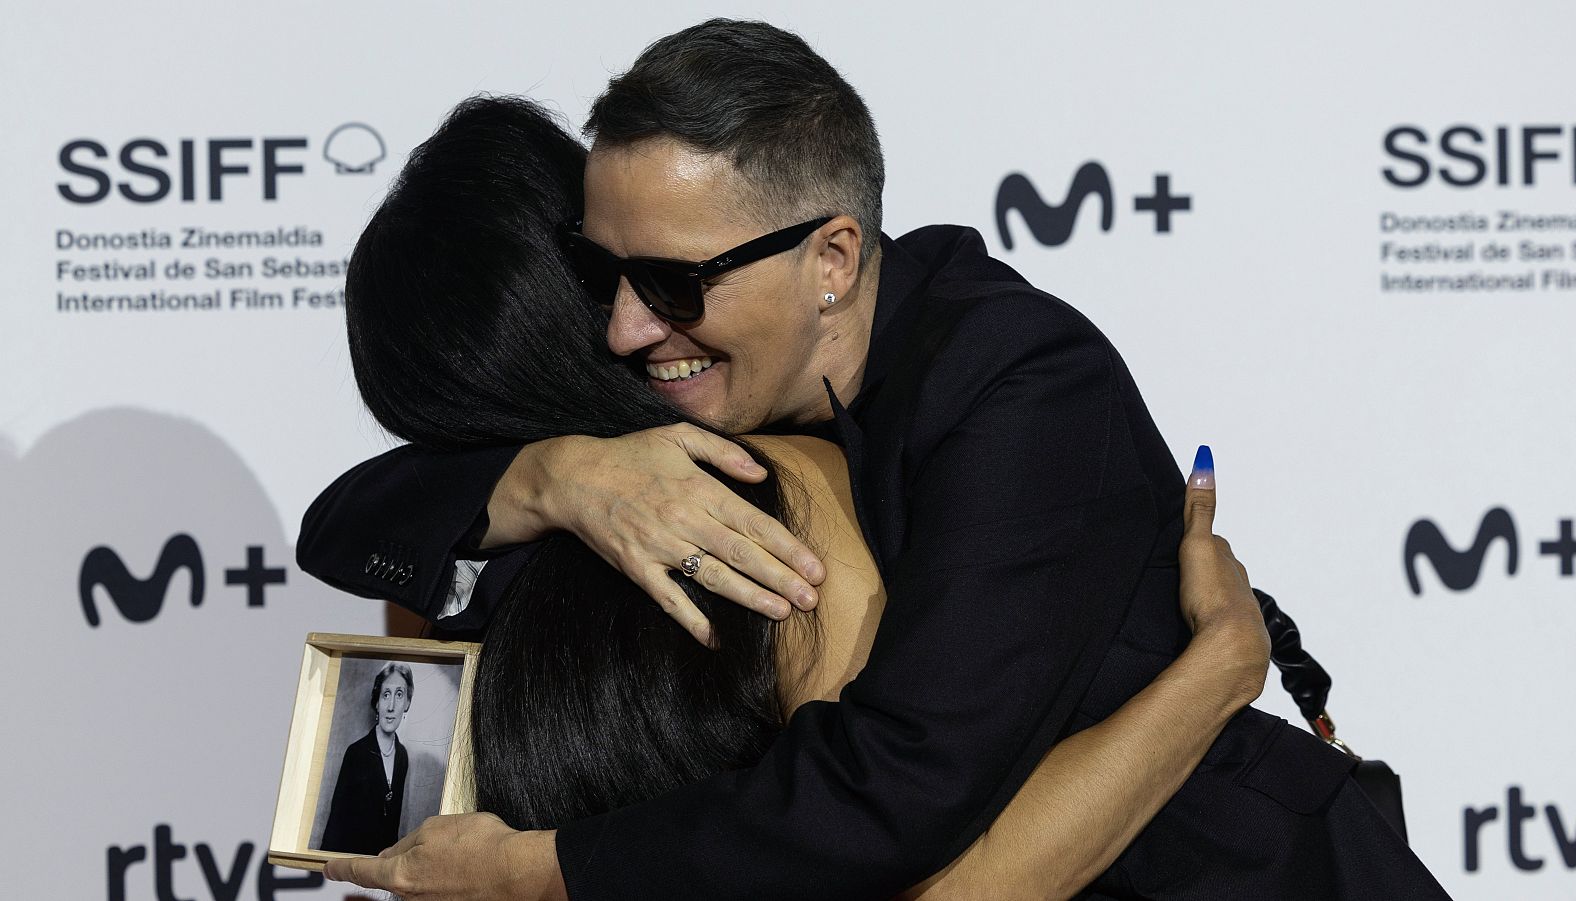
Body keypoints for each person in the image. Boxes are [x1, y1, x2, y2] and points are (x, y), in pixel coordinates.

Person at [304, 21, 1450, 900]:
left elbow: (890, 790)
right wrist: (555, 473)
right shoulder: (701, 420)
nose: (625, 328)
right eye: (604, 280)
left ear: (833, 259)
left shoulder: (1019, 382)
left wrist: (535, 869)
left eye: (670, 284)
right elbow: (350, 519)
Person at [320, 662, 412, 855]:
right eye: (386, 695)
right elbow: (336, 825)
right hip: (350, 864)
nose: (392, 706)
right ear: (377, 702)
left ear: (407, 703)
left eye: (399, 695)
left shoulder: (402, 756)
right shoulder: (356, 753)